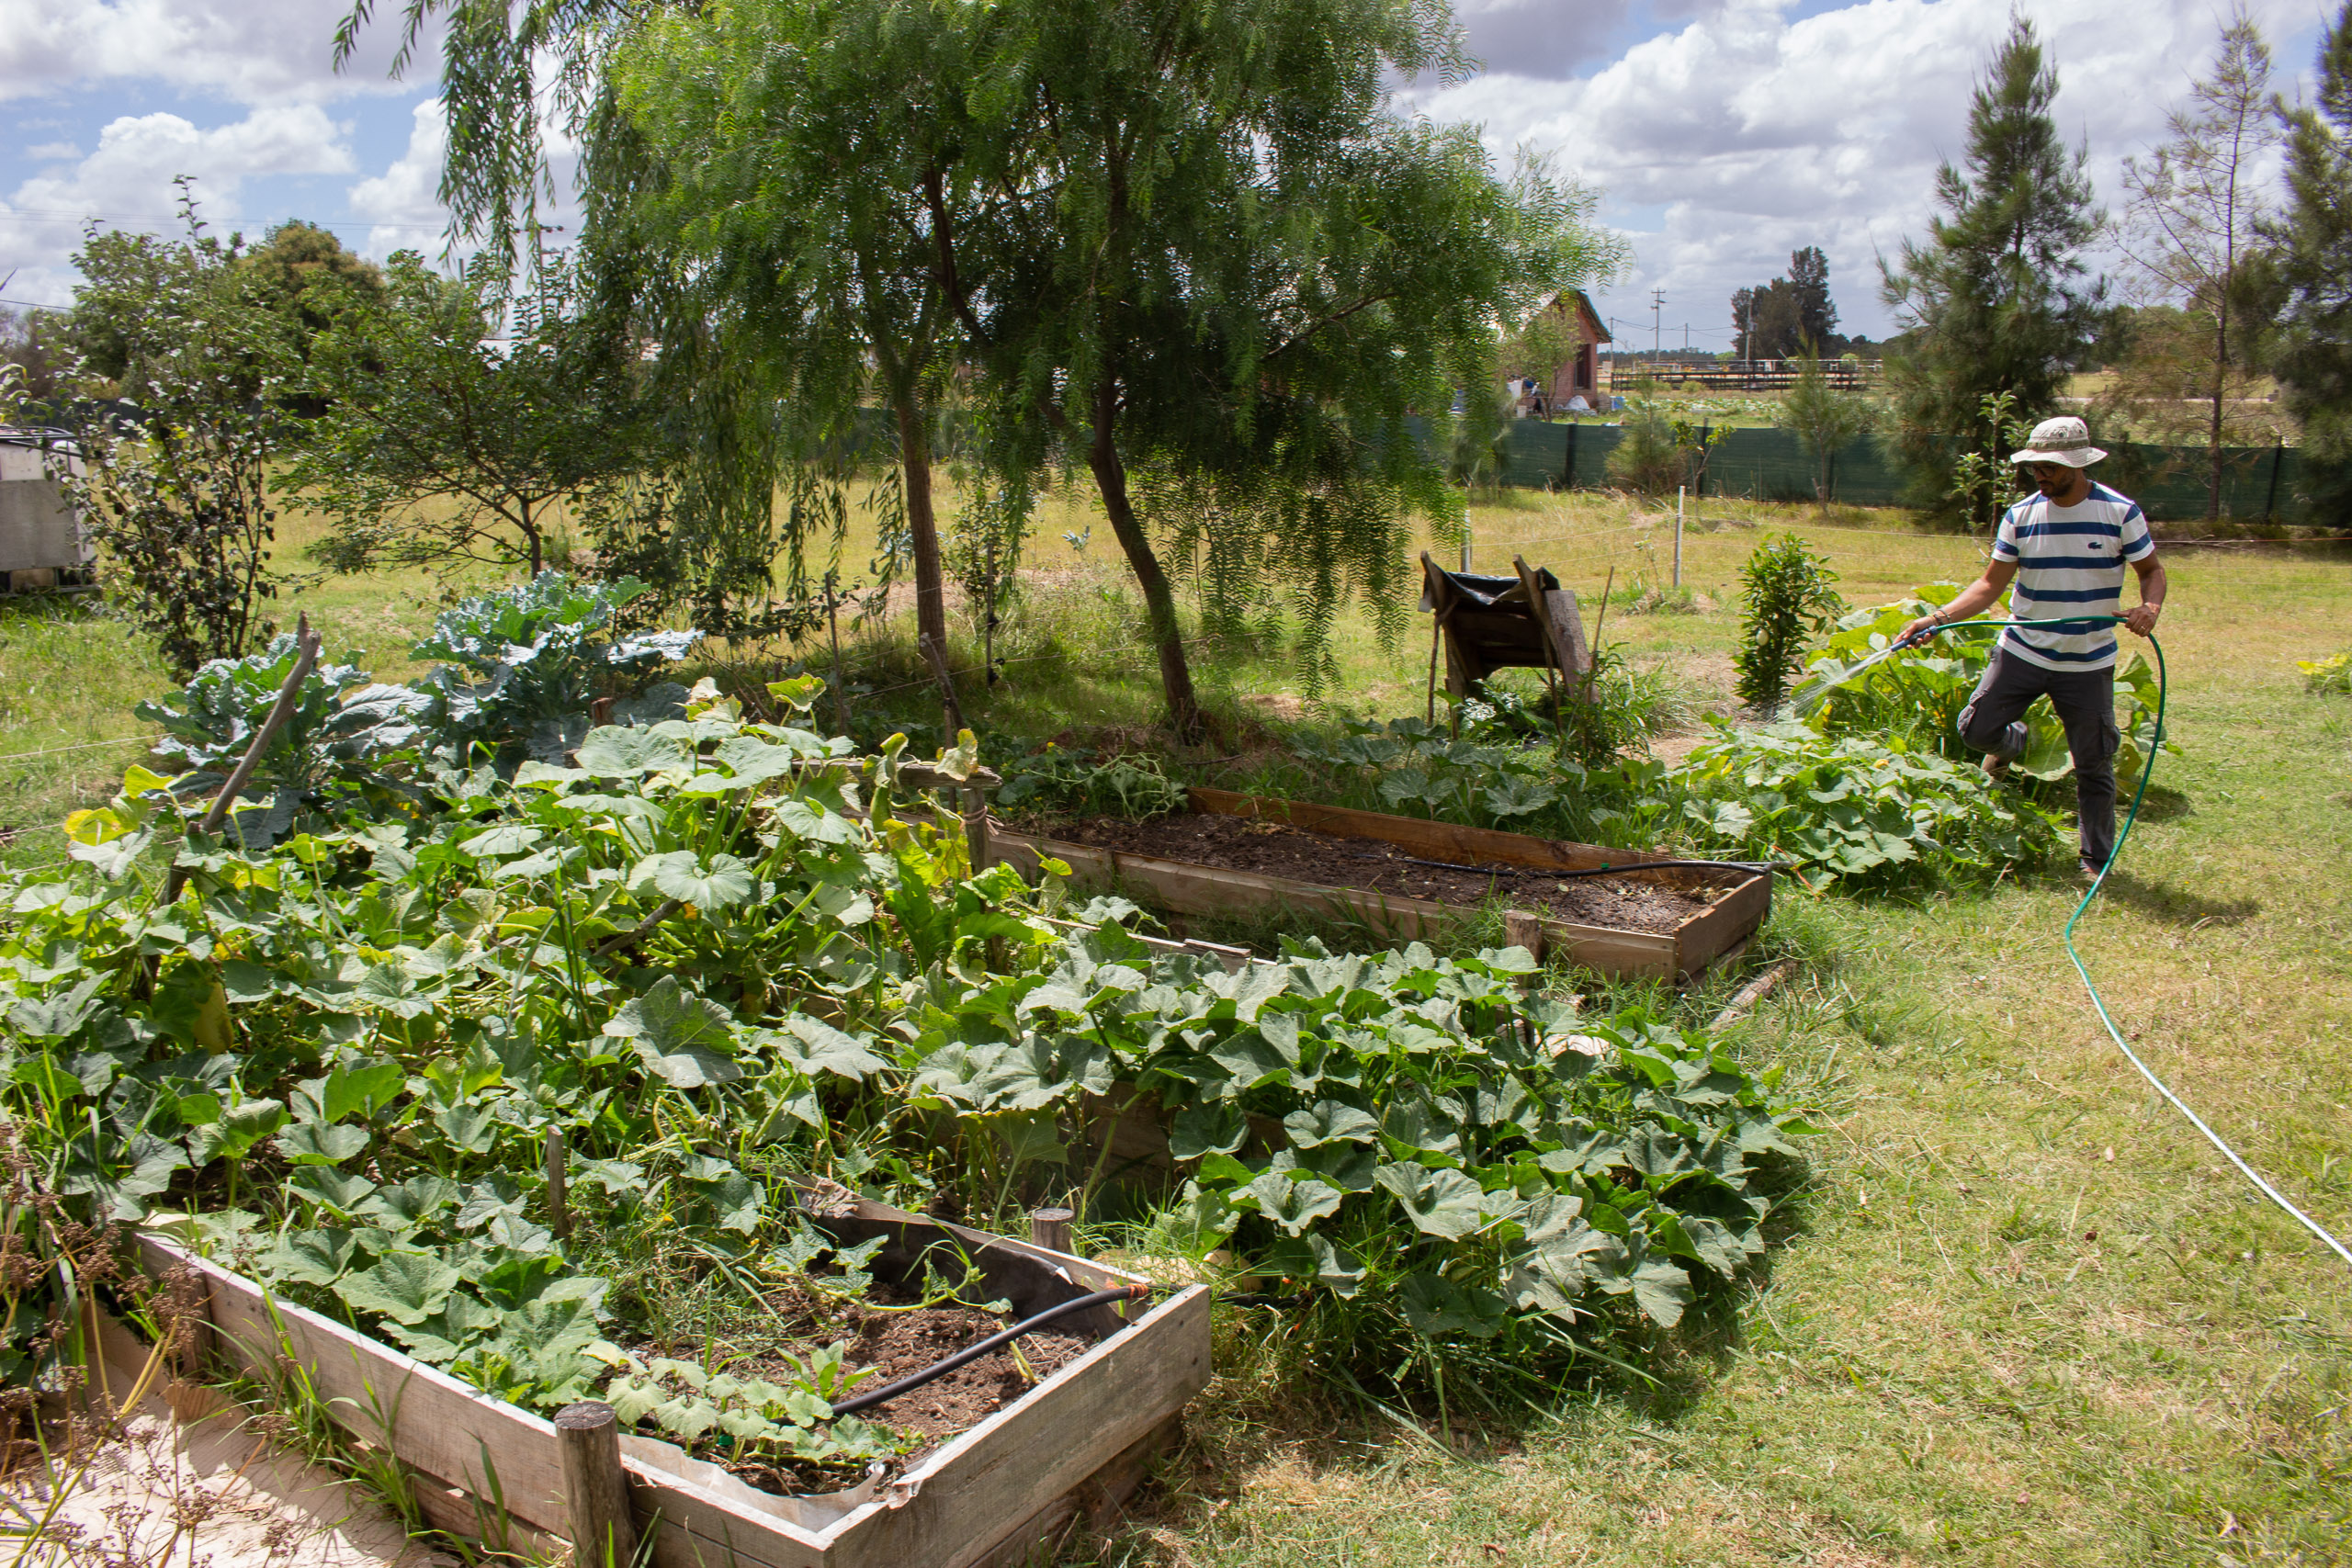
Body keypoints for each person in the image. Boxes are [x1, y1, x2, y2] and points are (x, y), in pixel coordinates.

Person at [1899, 414, 2167, 879]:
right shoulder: (2020, 516)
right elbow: (1989, 587)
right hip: (2023, 649)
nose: (2040, 474)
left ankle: (2094, 859)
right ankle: (2011, 743)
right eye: (2035, 465)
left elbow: (2152, 572)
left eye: (2051, 466)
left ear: (2078, 464)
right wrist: (1936, 619)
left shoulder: (2119, 513)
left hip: (2088, 661)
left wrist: (2150, 608)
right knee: (1976, 729)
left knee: (2094, 763)